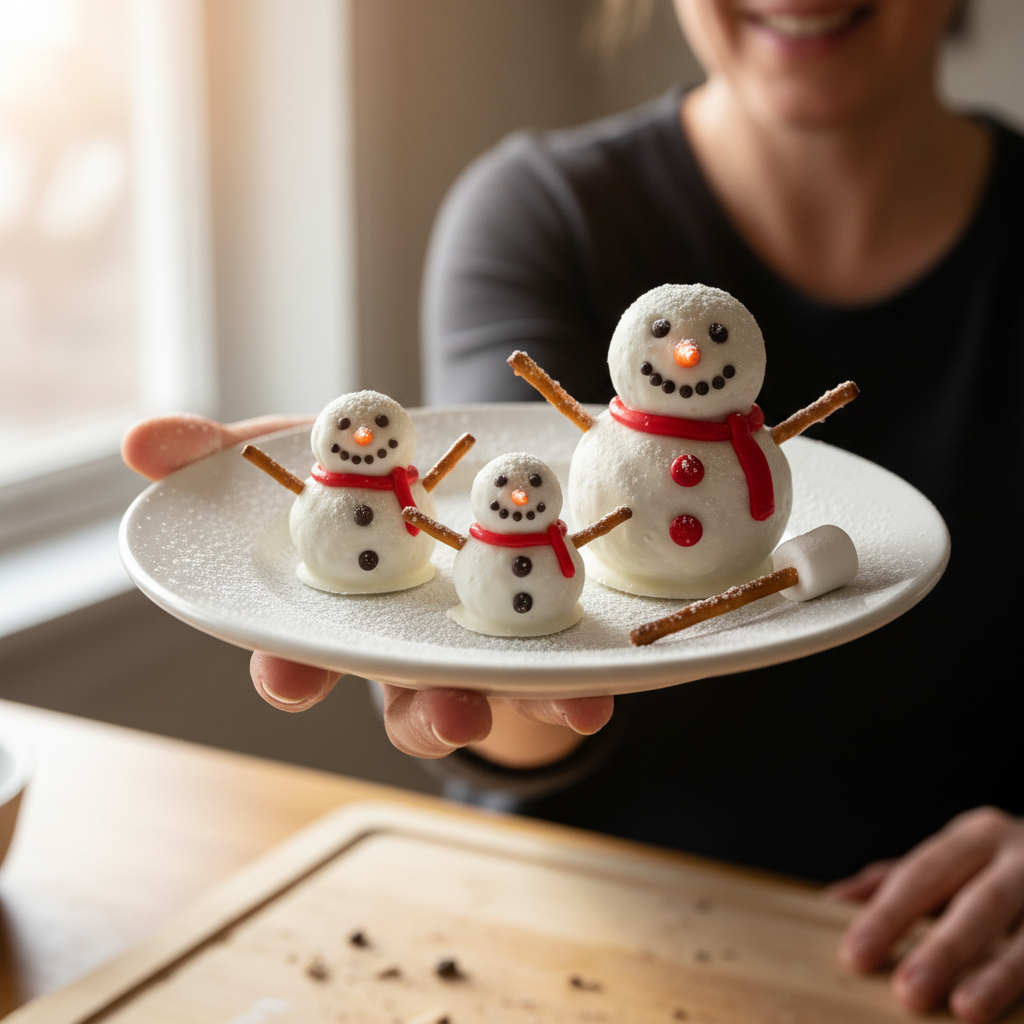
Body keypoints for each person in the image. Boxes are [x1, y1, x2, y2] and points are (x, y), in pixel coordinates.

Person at [122, 1, 1024, 1021]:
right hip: (565, 951)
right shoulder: (541, 211)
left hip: (941, 968)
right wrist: (416, 566)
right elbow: (515, 656)